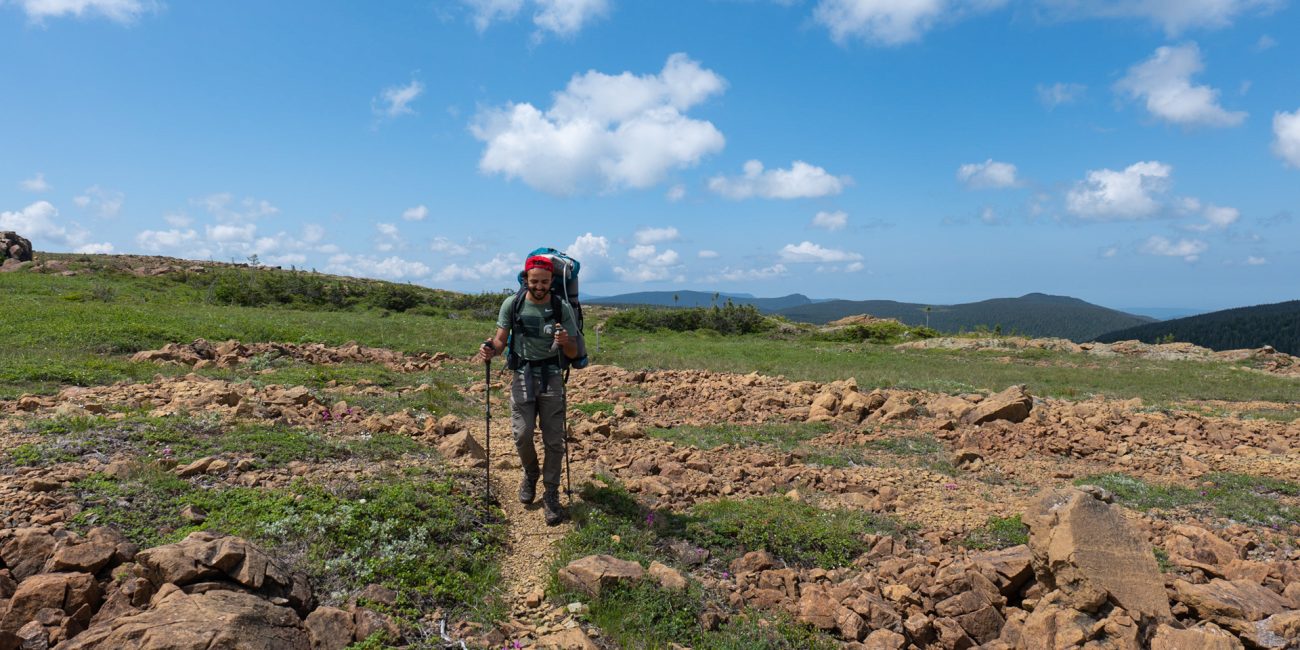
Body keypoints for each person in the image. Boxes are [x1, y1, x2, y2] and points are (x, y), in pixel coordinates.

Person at [476, 255, 579, 525]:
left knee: (554, 440)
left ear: (551, 281)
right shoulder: (513, 304)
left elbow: (574, 351)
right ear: (526, 279)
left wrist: (566, 342)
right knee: (522, 435)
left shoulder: (561, 307)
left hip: (553, 376)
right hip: (523, 374)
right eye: (535, 281)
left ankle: (551, 493)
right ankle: (531, 473)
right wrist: (490, 349)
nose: (539, 286)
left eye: (544, 281)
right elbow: (500, 340)